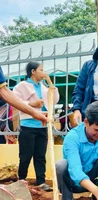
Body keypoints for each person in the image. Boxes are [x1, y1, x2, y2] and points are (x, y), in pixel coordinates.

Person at [13, 61, 60, 191]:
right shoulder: (22, 86)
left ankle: (41, 181)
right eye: (41, 70)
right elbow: (15, 101)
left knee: (40, 155)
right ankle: (21, 180)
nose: (43, 72)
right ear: (33, 71)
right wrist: (31, 104)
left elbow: (54, 99)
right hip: (28, 125)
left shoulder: (44, 87)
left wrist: (51, 84)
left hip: (42, 126)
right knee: (25, 155)